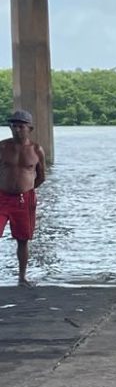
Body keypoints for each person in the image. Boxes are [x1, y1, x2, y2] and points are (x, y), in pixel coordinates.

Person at [0, 110, 46, 287]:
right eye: (13, 126)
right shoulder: (3, 147)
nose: (16, 129)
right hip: (2, 196)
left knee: (23, 238)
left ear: (30, 128)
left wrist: (27, 188)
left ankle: (22, 277)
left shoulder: (36, 149)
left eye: (21, 126)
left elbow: (41, 176)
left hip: (24, 199)